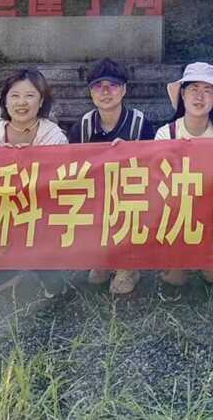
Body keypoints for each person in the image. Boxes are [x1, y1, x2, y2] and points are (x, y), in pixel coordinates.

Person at [0, 68, 68, 298]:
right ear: (5, 101)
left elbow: (59, 184)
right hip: (1, 210)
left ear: (41, 101)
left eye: (30, 95)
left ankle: (42, 267)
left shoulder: (54, 137)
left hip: (43, 212)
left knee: (56, 287)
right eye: (15, 96)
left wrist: (31, 161)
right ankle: (8, 267)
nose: (21, 102)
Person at [69, 58, 157, 296]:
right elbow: (72, 169)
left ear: (124, 89)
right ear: (90, 92)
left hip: (131, 195)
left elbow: (152, 169)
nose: (105, 92)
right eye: (98, 86)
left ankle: (127, 266)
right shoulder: (82, 127)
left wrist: (129, 155)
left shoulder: (140, 123)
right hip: (96, 194)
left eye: (113, 85)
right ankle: (100, 258)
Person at [153, 62, 213, 298]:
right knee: (174, 278)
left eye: (207, 90)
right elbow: (159, 185)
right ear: (182, 94)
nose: (199, 97)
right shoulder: (166, 134)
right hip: (176, 217)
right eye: (193, 89)